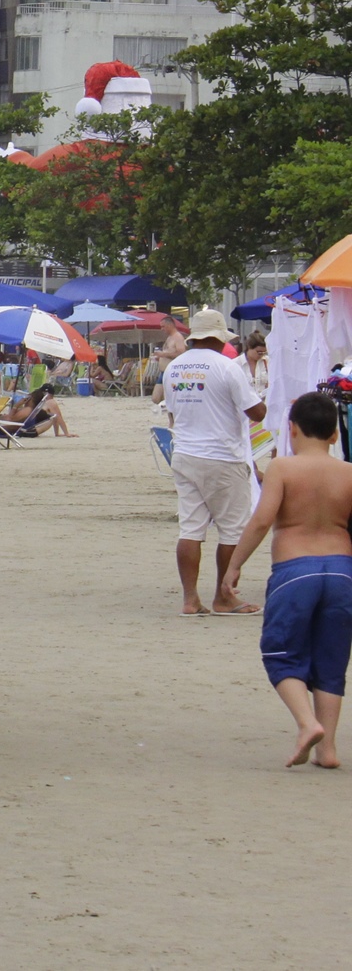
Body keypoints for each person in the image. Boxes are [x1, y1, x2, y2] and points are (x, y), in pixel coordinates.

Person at [220, 391, 352, 767]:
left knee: (280, 652)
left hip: (295, 570)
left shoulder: (282, 468)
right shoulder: (348, 472)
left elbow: (262, 520)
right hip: (341, 570)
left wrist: (234, 564)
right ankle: (328, 750)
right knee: (331, 660)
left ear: (291, 429)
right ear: (334, 435)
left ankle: (307, 724)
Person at [157, 308, 268, 617]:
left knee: (190, 529)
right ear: (219, 338)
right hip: (222, 456)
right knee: (232, 530)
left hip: (185, 453)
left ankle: (190, 599)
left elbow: (172, 412)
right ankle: (224, 596)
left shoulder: (174, 367)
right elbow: (257, 413)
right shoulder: (227, 367)